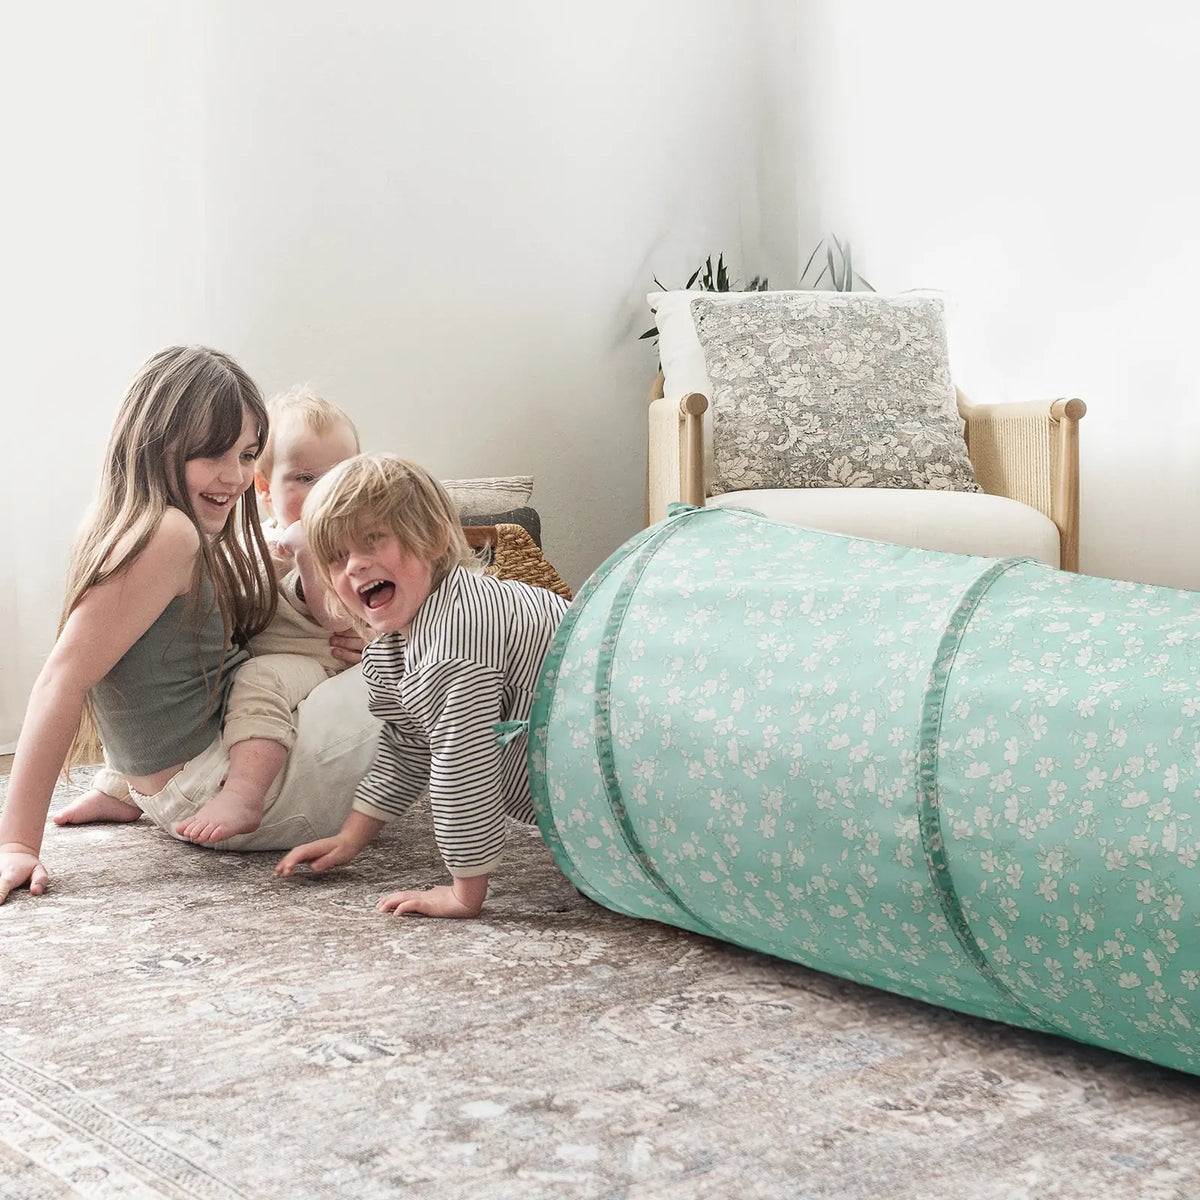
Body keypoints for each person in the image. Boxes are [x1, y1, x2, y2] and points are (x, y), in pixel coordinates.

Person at [0, 347, 380, 903]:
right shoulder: (168, 534)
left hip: (171, 785)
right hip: (218, 785)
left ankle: (126, 789)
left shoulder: (119, 519)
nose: (235, 476)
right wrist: (16, 845)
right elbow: (63, 680)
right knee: (440, 658)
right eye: (212, 455)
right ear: (154, 446)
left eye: (248, 453)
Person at [274, 454, 570, 919]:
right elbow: (409, 744)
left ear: (432, 538)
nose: (353, 565)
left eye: (373, 539)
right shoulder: (395, 647)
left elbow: (461, 765)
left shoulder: (460, 633)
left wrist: (463, 891)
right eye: (337, 556)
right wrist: (352, 835)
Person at [82, 385, 364, 844]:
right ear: (267, 487)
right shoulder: (254, 537)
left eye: (340, 478)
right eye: (306, 478)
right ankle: (123, 788)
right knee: (172, 671)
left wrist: (311, 558)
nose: (324, 495)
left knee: (257, 683)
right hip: (254, 660)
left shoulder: (338, 544)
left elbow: (336, 619)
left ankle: (245, 793)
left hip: (312, 663)